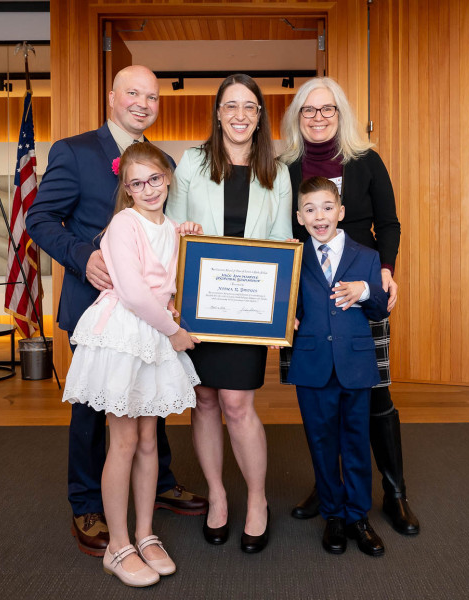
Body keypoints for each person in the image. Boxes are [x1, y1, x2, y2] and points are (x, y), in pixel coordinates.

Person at [25, 65, 207, 559]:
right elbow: (39, 217)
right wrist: (85, 257)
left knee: (149, 401)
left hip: (151, 314)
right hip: (98, 307)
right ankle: (87, 504)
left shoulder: (161, 161)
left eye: (151, 96)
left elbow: (165, 232)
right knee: (94, 412)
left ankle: (160, 483)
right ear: (112, 97)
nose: (143, 103)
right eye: (133, 93)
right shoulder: (76, 150)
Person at [279, 77, 419, 535]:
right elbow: (276, 231)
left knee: (373, 396)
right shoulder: (285, 167)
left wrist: (385, 272)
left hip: (361, 288)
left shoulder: (367, 162)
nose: (318, 118)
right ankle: (329, 488)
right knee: (320, 397)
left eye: (328, 109)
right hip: (309, 294)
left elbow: (389, 223)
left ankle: (394, 492)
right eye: (309, 110)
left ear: (341, 114)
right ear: (298, 118)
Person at [62, 143, 202, 587]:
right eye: (137, 183)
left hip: (153, 333)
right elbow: (137, 294)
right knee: (122, 441)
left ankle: (145, 533)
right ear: (126, 188)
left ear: (167, 178)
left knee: (147, 439)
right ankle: (118, 544)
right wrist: (175, 332)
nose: (148, 189)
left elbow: (173, 279)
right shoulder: (123, 224)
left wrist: (190, 236)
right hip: (127, 333)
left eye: (155, 180)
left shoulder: (171, 226)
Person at [165, 74, 292, 553]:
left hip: (251, 309)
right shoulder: (192, 163)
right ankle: (218, 496)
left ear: (260, 116)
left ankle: (256, 500)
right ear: (217, 113)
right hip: (198, 305)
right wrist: (183, 231)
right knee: (205, 401)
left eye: (250, 107)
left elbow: (282, 245)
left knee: (238, 404)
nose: (240, 115)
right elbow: (168, 228)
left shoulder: (276, 173)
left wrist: (283, 309)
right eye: (231, 106)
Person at [288, 176, 390, 556]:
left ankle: (357, 516)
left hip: (355, 364)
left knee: (356, 442)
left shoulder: (366, 256)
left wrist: (365, 291)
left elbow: (379, 308)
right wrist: (282, 318)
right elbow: (287, 305)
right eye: (310, 209)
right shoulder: (294, 257)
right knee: (321, 442)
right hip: (313, 364)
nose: (319, 216)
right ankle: (332, 514)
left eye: (327, 208)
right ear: (299, 216)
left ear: (341, 212)